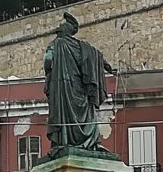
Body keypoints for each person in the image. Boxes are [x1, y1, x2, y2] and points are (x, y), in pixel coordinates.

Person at [43, 13, 115, 150]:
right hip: (80, 88)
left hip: (63, 87)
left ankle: (64, 141)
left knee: (64, 115)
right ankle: (91, 142)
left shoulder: (56, 44)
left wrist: (49, 73)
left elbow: (48, 61)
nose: (57, 34)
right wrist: (109, 69)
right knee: (87, 112)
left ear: (63, 31)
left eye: (59, 31)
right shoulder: (83, 47)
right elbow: (99, 59)